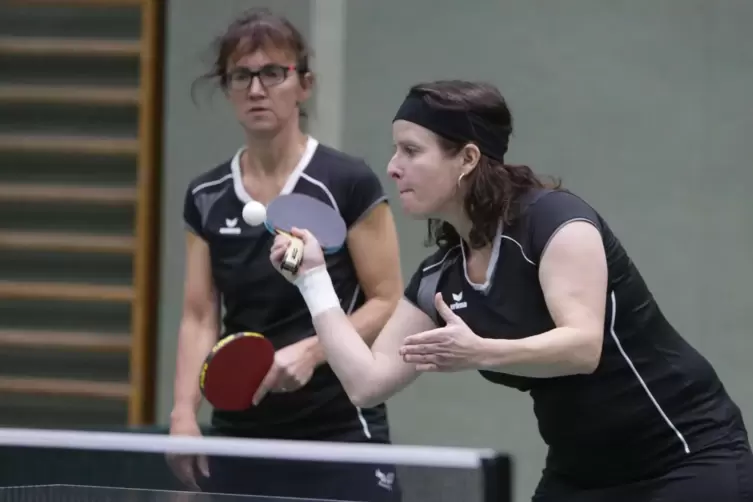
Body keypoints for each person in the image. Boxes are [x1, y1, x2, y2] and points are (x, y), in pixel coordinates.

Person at [267, 80, 753, 502]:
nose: (393, 167)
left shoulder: (555, 223)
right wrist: (314, 280)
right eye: (396, 150)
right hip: (582, 472)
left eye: (412, 151)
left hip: (684, 454)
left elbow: (582, 347)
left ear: (468, 158)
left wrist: (479, 351)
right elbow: (366, 383)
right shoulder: (441, 276)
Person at [167, 8, 404, 501]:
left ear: (304, 84)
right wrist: (184, 412)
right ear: (227, 87)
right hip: (240, 429)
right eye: (241, 75)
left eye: (273, 72)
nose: (257, 89)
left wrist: (313, 352)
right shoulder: (206, 194)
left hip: (339, 425)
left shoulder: (346, 181)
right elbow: (198, 314)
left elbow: (387, 299)